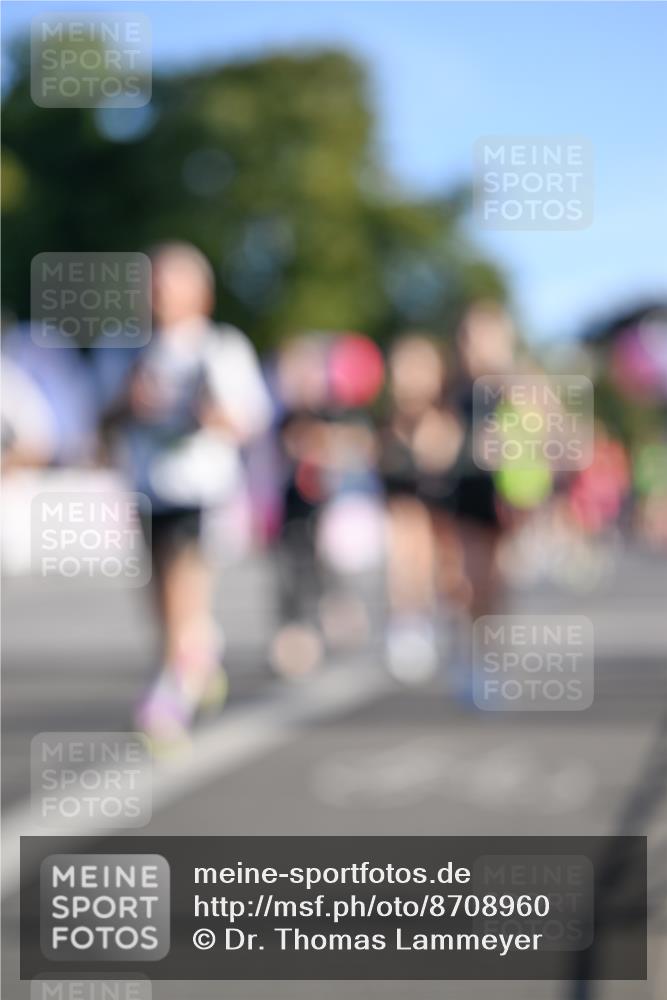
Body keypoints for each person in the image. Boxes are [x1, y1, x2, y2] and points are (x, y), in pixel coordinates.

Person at [103, 242, 271, 746]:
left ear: (200, 293)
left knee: (184, 589)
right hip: (147, 489)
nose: (158, 294)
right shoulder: (123, 347)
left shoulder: (221, 346)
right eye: (152, 283)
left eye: (170, 283)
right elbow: (97, 421)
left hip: (204, 492)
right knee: (161, 600)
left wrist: (209, 414)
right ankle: (195, 655)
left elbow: (250, 420)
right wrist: (128, 404)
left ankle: (169, 695)